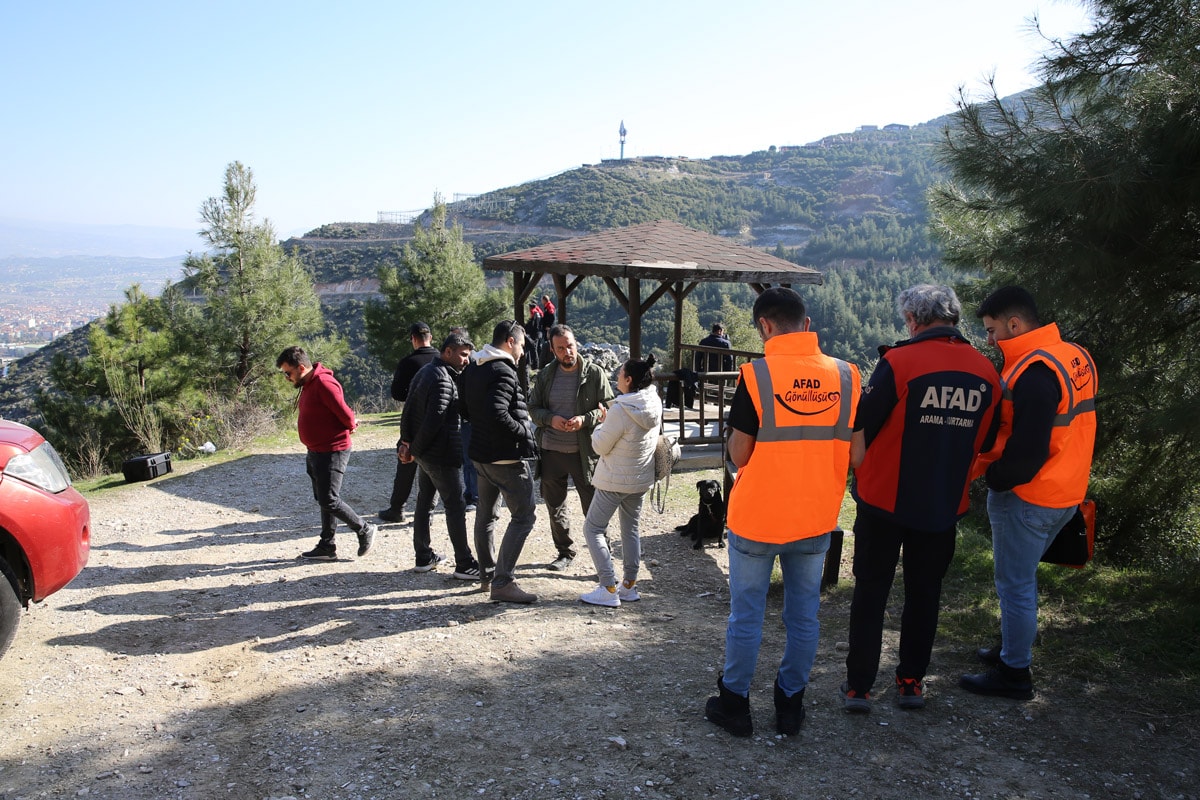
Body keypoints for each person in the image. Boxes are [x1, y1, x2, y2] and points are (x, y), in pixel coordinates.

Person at [704, 287, 861, 738]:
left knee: (747, 615)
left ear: (764, 327)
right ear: (806, 325)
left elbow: (740, 451)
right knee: (804, 617)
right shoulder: (848, 376)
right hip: (814, 518)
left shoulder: (756, 377)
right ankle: (790, 705)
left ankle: (735, 703)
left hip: (757, 519)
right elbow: (860, 456)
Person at [841, 285, 1000, 713]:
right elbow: (986, 437)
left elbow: (863, 425)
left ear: (913, 320)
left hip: (883, 501)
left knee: (871, 592)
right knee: (925, 593)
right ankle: (911, 682)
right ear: (954, 318)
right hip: (943, 502)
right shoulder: (987, 372)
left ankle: (859, 686)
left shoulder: (899, 362)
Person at [960, 286, 1097, 700]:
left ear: (1014, 324)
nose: (990, 340)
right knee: (1020, 580)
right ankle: (1009, 649)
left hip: (1030, 495)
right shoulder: (1075, 355)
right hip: (1067, 490)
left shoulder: (1034, 373)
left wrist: (996, 479)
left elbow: (1029, 450)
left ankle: (1014, 673)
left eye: (991, 331)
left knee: (1015, 584)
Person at [461, 320, 540, 604]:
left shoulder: (474, 367)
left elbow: (465, 406)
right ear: (509, 341)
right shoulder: (503, 371)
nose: (521, 353)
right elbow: (498, 413)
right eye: (520, 345)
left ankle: (488, 574)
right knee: (524, 515)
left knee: (486, 515)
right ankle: (503, 582)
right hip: (505, 458)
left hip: (480, 455)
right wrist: (526, 431)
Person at [528, 324, 616, 572]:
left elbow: (609, 409)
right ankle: (565, 552)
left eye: (570, 346)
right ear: (553, 350)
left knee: (594, 509)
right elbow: (533, 409)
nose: (567, 352)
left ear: (576, 344)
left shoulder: (595, 373)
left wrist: (584, 420)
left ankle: (604, 558)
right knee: (555, 507)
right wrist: (550, 419)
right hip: (551, 452)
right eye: (561, 348)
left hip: (584, 452)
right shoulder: (546, 375)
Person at [276, 346, 377, 561]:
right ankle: (327, 545)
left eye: (288, 373)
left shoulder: (324, 383)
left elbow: (345, 413)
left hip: (332, 450)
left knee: (329, 499)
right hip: (316, 450)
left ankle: (364, 529)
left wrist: (350, 424)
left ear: (301, 367)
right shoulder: (308, 382)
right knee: (323, 498)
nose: (286, 378)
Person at [579, 354, 663, 607]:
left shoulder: (620, 409)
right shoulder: (654, 401)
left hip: (614, 480)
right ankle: (629, 585)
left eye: (620, 373)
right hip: (640, 479)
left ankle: (608, 587)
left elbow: (600, 447)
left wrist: (599, 426)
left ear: (629, 379)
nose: (616, 376)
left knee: (592, 529)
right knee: (631, 529)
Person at [399, 332, 480, 578]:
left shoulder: (425, 373)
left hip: (426, 455)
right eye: (463, 355)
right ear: (447, 352)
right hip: (440, 455)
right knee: (455, 505)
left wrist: (406, 443)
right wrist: (412, 449)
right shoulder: (444, 380)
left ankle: (423, 556)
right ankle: (465, 563)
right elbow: (433, 422)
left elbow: (408, 410)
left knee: (425, 501)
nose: (466, 360)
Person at [379, 322, 438, 523]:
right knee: (434, 467)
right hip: (439, 419)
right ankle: (427, 512)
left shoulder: (407, 362)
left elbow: (397, 393)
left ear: (413, 339)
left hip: (415, 419)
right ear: (431, 337)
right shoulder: (442, 359)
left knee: (406, 461)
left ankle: (397, 508)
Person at [523, 303, 543, 370]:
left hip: (534, 334)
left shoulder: (534, 314)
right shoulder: (539, 313)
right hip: (538, 333)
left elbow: (532, 325)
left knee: (533, 350)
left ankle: (535, 365)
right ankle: (535, 365)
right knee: (535, 349)